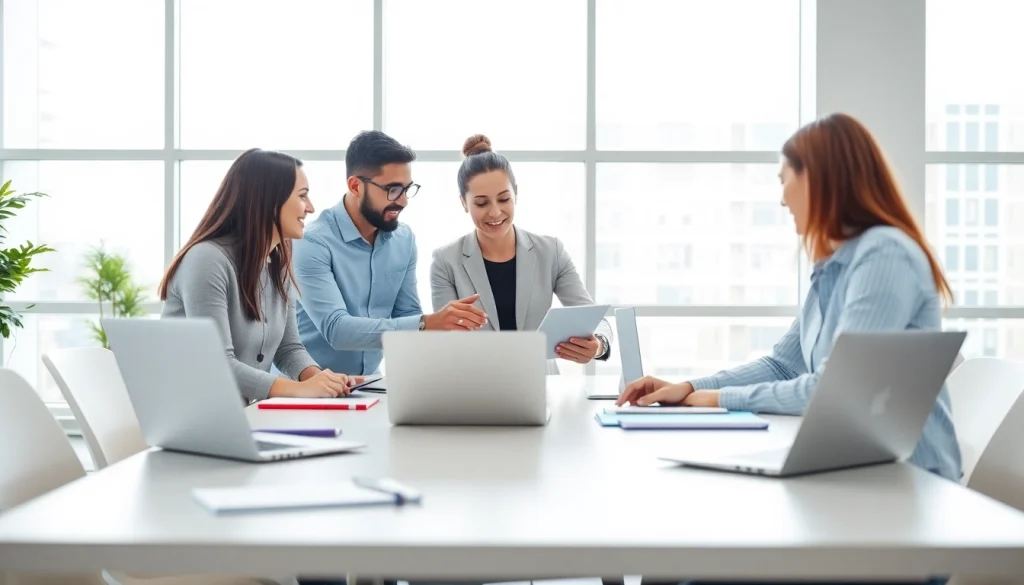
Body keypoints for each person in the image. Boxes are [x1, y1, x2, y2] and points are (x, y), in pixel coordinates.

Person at [619, 114, 959, 585]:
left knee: (686, 573)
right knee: (675, 566)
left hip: (905, 498)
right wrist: (690, 386)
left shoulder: (884, 254)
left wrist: (718, 399)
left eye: (784, 180)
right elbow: (784, 364)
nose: (781, 199)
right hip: (853, 481)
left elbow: (837, 391)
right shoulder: (832, 265)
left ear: (819, 178)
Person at [159, 148, 360, 404]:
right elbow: (218, 362)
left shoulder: (278, 262)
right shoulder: (207, 260)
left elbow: (288, 349)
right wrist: (299, 390)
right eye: (302, 196)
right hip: (195, 416)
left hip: (242, 416)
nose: (310, 208)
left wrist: (321, 380)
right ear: (270, 200)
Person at [293, 130, 488, 376]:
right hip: (305, 392)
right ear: (355, 186)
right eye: (393, 190)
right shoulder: (311, 242)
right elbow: (337, 329)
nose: (404, 201)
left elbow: (407, 314)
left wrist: (449, 333)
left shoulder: (403, 239)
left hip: (369, 385)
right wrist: (427, 323)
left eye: (407, 189)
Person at [430, 134, 613, 373]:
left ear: (516, 194)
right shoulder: (446, 261)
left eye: (504, 199)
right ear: (464, 203)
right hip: (474, 390)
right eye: (481, 203)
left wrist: (599, 345)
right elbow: (444, 340)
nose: (495, 213)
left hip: (541, 388)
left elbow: (595, 318)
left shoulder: (551, 252)